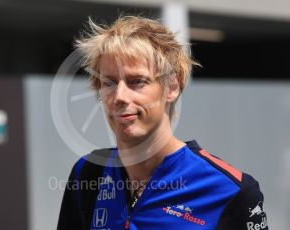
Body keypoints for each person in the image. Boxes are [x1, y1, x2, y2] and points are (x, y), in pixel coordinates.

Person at [57, 16, 268, 230]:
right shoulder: (90, 171)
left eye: (137, 81)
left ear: (171, 87)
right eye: (109, 82)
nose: (119, 96)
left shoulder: (231, 190)